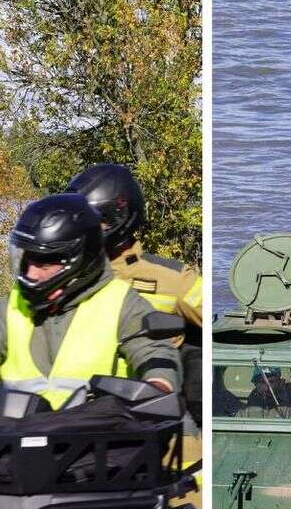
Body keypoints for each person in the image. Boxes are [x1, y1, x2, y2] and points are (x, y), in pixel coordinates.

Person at [0, 193, 180, 408]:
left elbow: (154, 350)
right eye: (27, 259)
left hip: (96, 443)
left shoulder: (120, 301)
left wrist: (158, 385)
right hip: (14, 439)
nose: (31, 273)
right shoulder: (15, 302)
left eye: (43, 262)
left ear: (80, 259)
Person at [65, 164, 204, 421]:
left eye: (98, 221)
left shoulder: (172, 279)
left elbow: (221, 324)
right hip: (74, 410)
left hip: (146, 415)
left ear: (121, 218)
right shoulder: (61, 275)